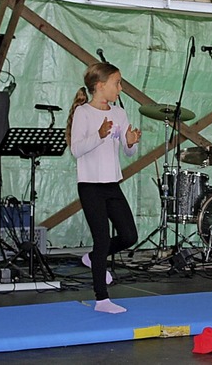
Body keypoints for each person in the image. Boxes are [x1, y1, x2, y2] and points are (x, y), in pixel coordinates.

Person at [66, 62, 141, 314]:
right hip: (90, 185)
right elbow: (76, 149)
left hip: (112, 184)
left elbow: (128, 151)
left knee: (129, 235)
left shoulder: (119, 113)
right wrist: (98, 134)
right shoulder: (83, 113)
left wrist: (131, 142)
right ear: (100, 86)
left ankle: (91, 259)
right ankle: (102, 299)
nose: (120, 88)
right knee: (101, 240)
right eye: (117, 83)